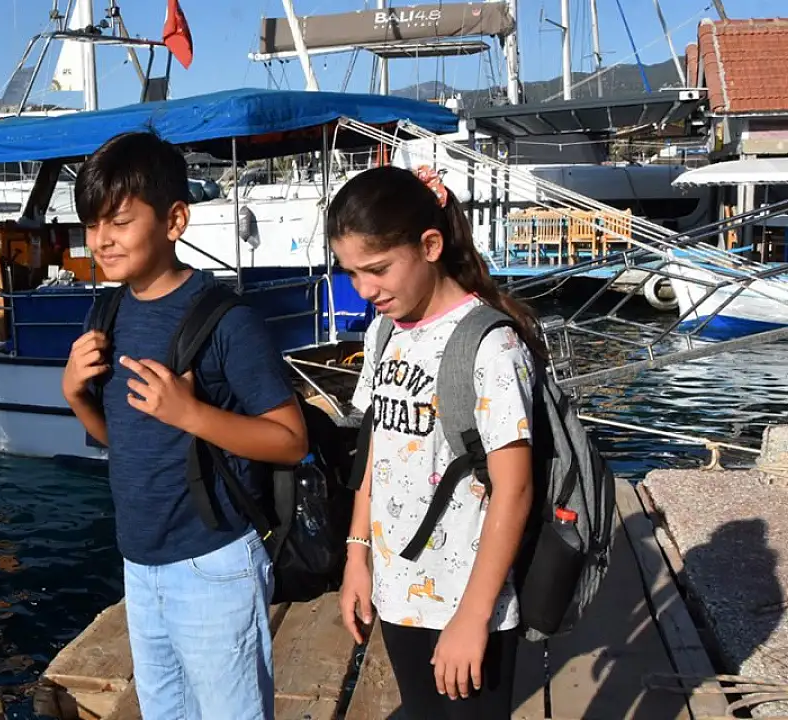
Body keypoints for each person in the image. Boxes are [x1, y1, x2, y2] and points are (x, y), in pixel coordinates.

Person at [61, 131, 309, 719]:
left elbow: (291, 440)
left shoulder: (226, 320)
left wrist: (191, 413)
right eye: (92, 224)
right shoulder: (107, 311)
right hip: (139, 565)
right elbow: (123, 441)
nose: (100, 240)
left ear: (174, 220)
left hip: (213, 564)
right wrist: (74, 394)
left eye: (119, 222)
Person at [332, 165, 540, 719]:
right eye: (351, 273)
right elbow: (374, 454)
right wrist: (357, 556)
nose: (364, 290)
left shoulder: (492, 345)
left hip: (471, 599)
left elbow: (515, 489)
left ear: (430, 245)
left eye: (377, 269)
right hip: (398, 588)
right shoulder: (384, 332)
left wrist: (473, 616)